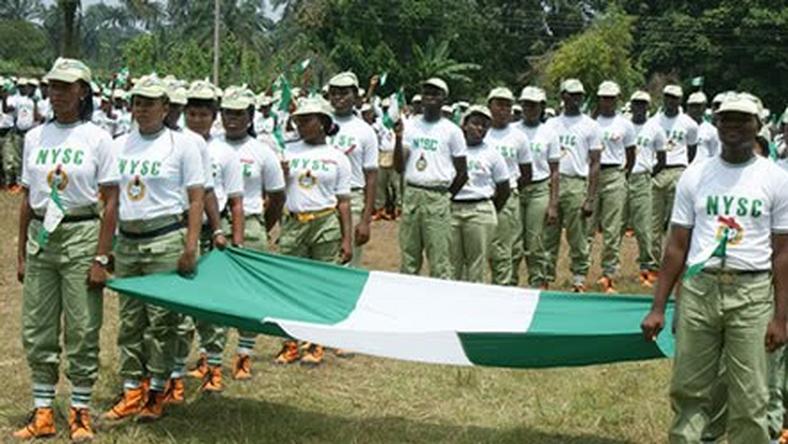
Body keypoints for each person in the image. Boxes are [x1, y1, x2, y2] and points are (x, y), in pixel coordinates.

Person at [641, 93, 788, 443]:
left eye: (742, 119)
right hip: (700, 289)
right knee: (689, 390)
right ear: (716, 124)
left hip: (751, 293)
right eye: (726, 119)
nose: (733, 126)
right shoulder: (695, 176)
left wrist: (782, 318)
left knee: (750, 397)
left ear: (758, 125)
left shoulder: (776, 179)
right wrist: (658, 307)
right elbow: (677, 247)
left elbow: (783, 254)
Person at [12, 58, 117, 442]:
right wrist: (22, 253)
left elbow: (111, 201)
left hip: (81, 234)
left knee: (83, 326)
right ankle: (42, 411)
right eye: (52, 86)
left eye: (65, 87)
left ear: (83, 91)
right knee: (37, 327)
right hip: (43, 237)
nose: (56, 93)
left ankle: (80, 412)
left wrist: (101, 257)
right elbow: (27, 198)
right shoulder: (35, 138)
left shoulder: (98, 139)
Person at [103, 75, 205, 423]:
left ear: (166, 107)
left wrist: (190, 245)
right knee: (130, 320)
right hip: (129, 241)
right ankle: (132, 389)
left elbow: (195, 200)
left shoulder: (183, 146)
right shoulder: (118, 145)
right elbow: (112, 200)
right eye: (138, 102)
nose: (143, 109)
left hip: (165, 238)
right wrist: (111, 243)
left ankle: (157, 391)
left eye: (150, 103)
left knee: (161, 321)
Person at [210, 85, 285, 377]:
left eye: (239, 114)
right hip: (218, 223)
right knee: (215, 293)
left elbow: (277, 195)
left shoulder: (262, 152)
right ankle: (211, 357)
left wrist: (263, 227)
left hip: (251, 222)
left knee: (248, 294)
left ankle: (244, 354)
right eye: (227, 113)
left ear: (251, 116)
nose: (232, 119)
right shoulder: (211, 147)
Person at [273, 97, 352, 366]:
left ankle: (317, 343)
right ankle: (290, 343)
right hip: (294, 222)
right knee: (289, 284)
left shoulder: (337, 158)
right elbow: (278, 193)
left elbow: (343, 202)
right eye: (298, 121)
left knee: (321, 284)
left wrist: (347, 238)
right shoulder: (289, 152)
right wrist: (281, 176)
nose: (301, 125)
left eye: (307, 120)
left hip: (325, 222)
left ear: (323, 124)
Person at [394, 78, 468, 278]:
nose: (430, 98)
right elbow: (399, 166)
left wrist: (446, 196)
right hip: (412, 193)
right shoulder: (410, 125)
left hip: (438, 194)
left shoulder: (452, 131)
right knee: (409, 257)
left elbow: (463, 172)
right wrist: (399, 139)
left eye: (435, 94)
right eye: (426, 93)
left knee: (439, 259)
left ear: (444, 98)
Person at [542, 79, 601, 292]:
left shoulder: (590, 126)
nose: (576, 99)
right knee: (548, 234)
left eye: (579, 95)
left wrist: (590, 198)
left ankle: (579, 277)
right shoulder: (550, 125)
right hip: (552, 182)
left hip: (576, 182)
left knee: (577, 236)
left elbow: (595, 163)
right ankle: (545, 277)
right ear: (563, 96)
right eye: (572, 95)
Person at [451, 105, 510, 282]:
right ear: (464, 125)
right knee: (452, 263)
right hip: (452, 209)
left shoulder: (492, 154)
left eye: (484, 126)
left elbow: (504, 189)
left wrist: (489, 208)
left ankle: (474, 306)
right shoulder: (452, 149)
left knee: (477, 264)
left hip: (479, 209)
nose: (480, 129)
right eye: (475, 123)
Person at [327, 72, 378, 268]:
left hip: (353, 199)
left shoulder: (365, 131)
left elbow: (371, 176)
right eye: (334, 93)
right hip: (323, 198)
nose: (338, 97)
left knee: (347, 262)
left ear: (355, 96)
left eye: (344, 93)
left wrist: (366, 220)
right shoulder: (319, 123)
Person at [590, 81, 636, 293]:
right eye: (604, 98)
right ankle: (581, 274)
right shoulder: (591, 123)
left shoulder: (625, 124)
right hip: (592, 176)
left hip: (615, 173)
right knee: (587, 227)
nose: (607, 102)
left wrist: (623, 174)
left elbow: (631, 154)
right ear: (599, 99)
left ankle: (608, 273)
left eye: (611, 98)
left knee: (612, 228)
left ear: (617, 100)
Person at [484, 87, 531, 285]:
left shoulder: (518, 136)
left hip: (507, 198)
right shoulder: (479, 131)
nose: (503, 110)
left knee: (504, 247)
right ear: (490, 106)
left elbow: (526, 173)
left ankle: (503, 286)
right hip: (480, 197)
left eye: (508, 106)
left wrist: (508, 187)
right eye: (499, 105)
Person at [650, 84, 699, 268]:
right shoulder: (654, 121)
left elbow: (691, 152)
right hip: (657, 171)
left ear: (680, 100)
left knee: (675, 222)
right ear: (664, 98)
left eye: (675, 98)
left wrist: (683, 170)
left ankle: (670, 263)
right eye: (668, 97)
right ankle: (652, 264)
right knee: (653, 222)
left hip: (678, 170)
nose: (671, 101)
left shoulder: (689, 124)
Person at [516, 86, 560, 288]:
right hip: (516, 190)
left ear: (542, 107)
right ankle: (509, 282)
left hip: (539, 189)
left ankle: (538, 282)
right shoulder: (513, 130)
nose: (529, 109)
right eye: (526, 104)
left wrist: (553, 204)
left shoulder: (549, 133)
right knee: (513, 242)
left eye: (534, 105)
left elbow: (555, 171)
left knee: (535, 242)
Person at [622, 90, 665, 287]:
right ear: (631, 105)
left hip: (642, 177)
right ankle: (609, 273)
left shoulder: (655, 128)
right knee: (614, 227)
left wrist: (648, 174)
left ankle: (646, 268)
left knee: (643, 227)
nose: (639, 107)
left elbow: (662, 159)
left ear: (648, 106)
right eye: (636, 103)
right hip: (621, 176)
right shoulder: (623, 125)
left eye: (642, 104)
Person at [2, 77, 41, 192]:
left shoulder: (33, 100)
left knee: (30, 158)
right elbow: (6, 110)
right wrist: (4, 97)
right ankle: (20, 183)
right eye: (22, 86)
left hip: (31, 133)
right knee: (19, 158)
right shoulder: (17, 100)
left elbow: (36, 117)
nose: (24, 88)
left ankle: (31, 182)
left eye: (26, 86)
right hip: (19, 132)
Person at [687, 92, 720, 159]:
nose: (694, 109)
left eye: (698, 106)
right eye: (692, 105)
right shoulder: (679, 126)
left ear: (704, 107)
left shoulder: (712, 131)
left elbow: (715, 154)